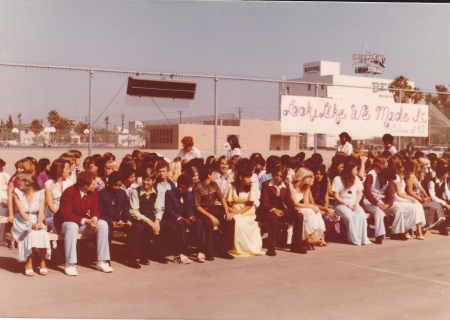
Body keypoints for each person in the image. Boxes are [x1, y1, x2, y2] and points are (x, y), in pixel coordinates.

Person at [54, 170, 113, 276]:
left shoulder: (93, 192)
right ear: (85, 185)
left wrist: (94, 219)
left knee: (103, 224)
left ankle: (102, 261)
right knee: (72, 226)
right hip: (64, 223)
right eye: (94, 183)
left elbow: (96, 210)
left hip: (80, 222)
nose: (96, 185)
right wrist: (86, 221)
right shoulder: (69, 192)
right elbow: (67, 215)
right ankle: (70, 264)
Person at [257, 165, 306, 256]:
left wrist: (294, 208)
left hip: (280, 210)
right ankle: (271, 247)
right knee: (273, 218)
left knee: (299, 215)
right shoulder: (266, 184)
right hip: (267, 211)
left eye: (280, 176)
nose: (278, 178)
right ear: (273, 174)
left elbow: (288, 201)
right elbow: (265, 202)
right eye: (276, 175)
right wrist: (274, 209)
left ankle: (296, 245)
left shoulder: (286, 185)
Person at [98, 171, 140, 268]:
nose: (117, 187)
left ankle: (132, 258)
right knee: (106, 231)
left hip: (118, 221)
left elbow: (125, 211)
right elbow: (100, 213)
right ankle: (106, 258)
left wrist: (128, 220)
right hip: (106, 221)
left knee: (137, 228)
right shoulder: (102, 194)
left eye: (119, 185)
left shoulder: (122, 193)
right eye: (115, 185)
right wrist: (110, 221)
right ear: (110, 183)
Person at [12, 172, 51, 276]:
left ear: (29, 182)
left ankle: (42, 261)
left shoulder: (41, 192)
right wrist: (31, 224)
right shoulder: (16, 192)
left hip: (36, 218)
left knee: (43, 233)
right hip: (21, 221)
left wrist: (39, 223)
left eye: (21, 180)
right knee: (31, 232)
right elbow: (21, 212)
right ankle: (28, 261)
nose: (18, 182)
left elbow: (41, 211)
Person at [129, 167, 170, 265]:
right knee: (147, 229)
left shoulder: (156, 192)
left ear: (153, 180)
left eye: (148, 180)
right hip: (139, 217)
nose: (145, 182)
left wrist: (157, 221)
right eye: (144, 179)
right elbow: (134, 212)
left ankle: (159, 253)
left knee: (170, 227)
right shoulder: (136, 192)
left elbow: (158, 209)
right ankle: (141, 257)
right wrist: (150, 222)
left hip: (151, 217)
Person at [194, 165, 235, 260]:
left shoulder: (215, 185)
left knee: (230, 221)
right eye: (213, 174)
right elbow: (197, 206)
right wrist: (211, 217)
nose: (215, 176)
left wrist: (227, 212)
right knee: (209, 223)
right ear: (208, 175)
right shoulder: (198, 187)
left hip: (213, 209)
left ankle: (224, 250)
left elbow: (222, 199)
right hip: (203, 211)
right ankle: (209, 251)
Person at [224, 163, 264, 256]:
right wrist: (231, 210)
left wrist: (238, 212)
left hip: (247, 211)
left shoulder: (252, 187)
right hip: (233, 210)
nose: (250, 180)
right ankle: (236, 248)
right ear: (241, 177)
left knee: (241, 223)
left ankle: (248, 248)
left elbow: (250, 204)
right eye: (248, 178)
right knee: (235, 222)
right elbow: (227, 202)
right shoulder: (231, 186)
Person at [163, 174, 204, 263]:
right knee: (180, 225)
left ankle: (200, 251)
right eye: (179, 186)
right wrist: (182, 219)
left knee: (199, 222)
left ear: (187, 187)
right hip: (173, 219)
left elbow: (190, 209)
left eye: (182, 188)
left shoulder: (190, 195)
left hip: (185, 219)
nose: (179, 189)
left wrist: (190, 218)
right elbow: (169, 211)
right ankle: (180, 253)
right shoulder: (170, 193)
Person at [332, 160, 371, 246]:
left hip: (354, 202)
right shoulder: (337, 179)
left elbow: (359, 192)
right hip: (341, 204)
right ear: (349, 170)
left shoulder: (356, 179)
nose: (357, 171)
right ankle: (353, 239)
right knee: (350, 216)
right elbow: (336, 196)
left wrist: (356, 203)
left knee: (361, 215)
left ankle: (362, 238)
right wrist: (347, 205)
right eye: (355, 169)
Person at [361, 167, 404, 244]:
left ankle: (396, 233)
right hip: (368, 202)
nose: (387, 181)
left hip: (380, 202)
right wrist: (377, 203)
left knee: (398, 208)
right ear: (382, 176)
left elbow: (390, 197)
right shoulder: (371, 176)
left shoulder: (387, 182)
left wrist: (387, 205)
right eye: (386, 179)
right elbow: (367, 192)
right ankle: (379, 235)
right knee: (378, 210)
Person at [405, 159, 447, 236]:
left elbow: (421, 188)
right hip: (414, 198)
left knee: (435, 204)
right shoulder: (410, 176)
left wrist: (427, 197)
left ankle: (426, 227)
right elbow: (410, 191)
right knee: (432, 207)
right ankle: (423, 228)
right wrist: (421, 199)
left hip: (420, 197)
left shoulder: (415, 175)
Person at [388, 157, 426, 240]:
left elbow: (404, 192)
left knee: (418, 205)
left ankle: (418, 230)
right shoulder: (395, 177)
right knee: (412, 207)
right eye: (402, 167)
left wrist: (410, 199)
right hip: (396, 199)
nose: (404, 168)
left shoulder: (400, 176)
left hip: (401, 198)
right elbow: (399, 193)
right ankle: (405, 230)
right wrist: (411, 198)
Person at [289, 167, 326, 248]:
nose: (310, 179)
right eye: (308, 177)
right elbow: (295, 203)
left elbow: (306, 203)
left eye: (311, 177)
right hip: (293, 208)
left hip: (302, 207)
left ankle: (310, 236)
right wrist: (311, 206)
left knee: (317, 212)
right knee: (310, 211)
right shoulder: (292, 186)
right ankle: (308, 238)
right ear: (302, 176)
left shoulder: (306, 188)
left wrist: (311, 207)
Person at [310, 165, 340, 238]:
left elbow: (326, 201)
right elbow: (312, 203)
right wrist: (325, 209)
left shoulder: (324, 185)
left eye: (321, 174)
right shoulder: (310, 186)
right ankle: (318, 237)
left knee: (335, 217)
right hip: (312, 207)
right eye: (317, 174)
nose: (319, 176)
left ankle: (321, 235)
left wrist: (326, 209)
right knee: (326, 217)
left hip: (322, 207)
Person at [44, 159, 73, 233]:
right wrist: (60, 216)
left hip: (68, 214)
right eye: (67, 169)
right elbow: (50, 204)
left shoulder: (70, 183)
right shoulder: (49, 184)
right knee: (66, 225)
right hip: (53, 215)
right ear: (60, 170)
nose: (69, 171)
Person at [0, 159, 11, 246]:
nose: (3, 167)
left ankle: (2, 239)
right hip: (1, 201)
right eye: (2, 165)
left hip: (4, 200)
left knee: (3, 222)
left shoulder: (6, 175)